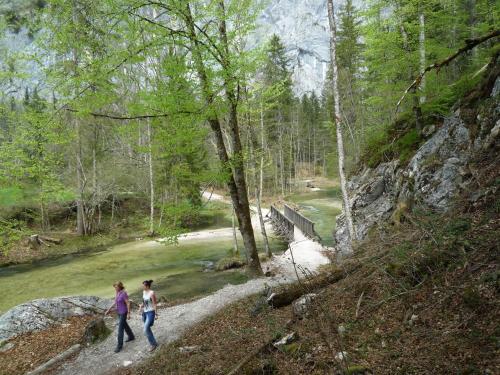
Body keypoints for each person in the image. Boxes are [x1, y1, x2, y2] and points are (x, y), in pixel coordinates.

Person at [105, 281, 135, 353]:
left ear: (119, 286)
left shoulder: (123, 293)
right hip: (118, 312)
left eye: (116, 287)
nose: (115, 288)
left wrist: (128, 313)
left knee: (120, 329)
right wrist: (109, 309)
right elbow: (115, 302)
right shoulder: (117, 293)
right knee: (124, 325)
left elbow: (128, 303)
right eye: (114, 287)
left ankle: (119, 346)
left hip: (124, 312)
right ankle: (131, 336)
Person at [138, 279, 158, 351]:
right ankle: (154, 343)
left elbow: (154, 304)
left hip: (151, 312)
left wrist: (156, 314)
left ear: (147, 286)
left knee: (146, 329)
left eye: (143, 285)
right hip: (145, 313)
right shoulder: (144, 292)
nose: (142, 287)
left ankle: (153, 345)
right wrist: (141, 307)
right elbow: (144, 302)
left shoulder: (152, 293)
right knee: (147, 328)